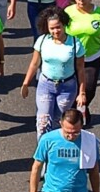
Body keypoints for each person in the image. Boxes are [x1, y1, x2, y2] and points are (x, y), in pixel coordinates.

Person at [22, 7, 87, 137]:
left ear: (64, 25)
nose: (55, 31)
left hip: (67, 88)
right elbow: (34, 64)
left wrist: (82, 93)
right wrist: (26, 83)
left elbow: (80, 69)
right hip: (45, 85)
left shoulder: (75, 43)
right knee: (43, 122)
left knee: (59, 121)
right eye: (52, 28)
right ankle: (43, 148)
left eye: (58, 27)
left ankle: (55, 147)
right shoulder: (42, 41)